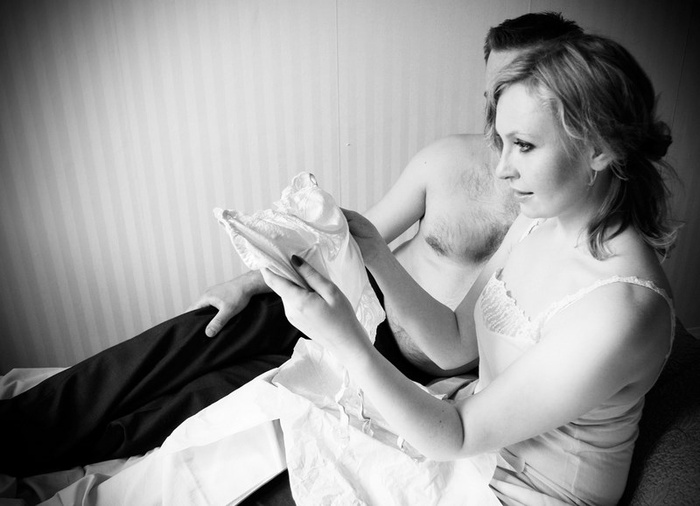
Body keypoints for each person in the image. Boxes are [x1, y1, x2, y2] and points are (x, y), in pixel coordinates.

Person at [0, 13, 583, 478]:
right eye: (492, 92)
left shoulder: (546, 211)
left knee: (206, 400)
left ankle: (43, 456)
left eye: (514, 91)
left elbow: (457, 347)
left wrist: (365, 291)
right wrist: (249, 282)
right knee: (196, 334)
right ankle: (18, 426)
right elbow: (353, 237)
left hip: (390, 360)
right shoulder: (447, 158)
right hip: (347, 293)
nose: (497, 111)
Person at [262, 33, 678, 504]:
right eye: (502, 142)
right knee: (263, 433)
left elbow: (456, 435)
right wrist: (375, 252)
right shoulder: (536, 221)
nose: (502, 169)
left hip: (519, 493)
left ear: (599, 148)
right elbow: (454, 342)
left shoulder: (621, 310)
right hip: (471, 451)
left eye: (524, 145)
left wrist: (346, 339)